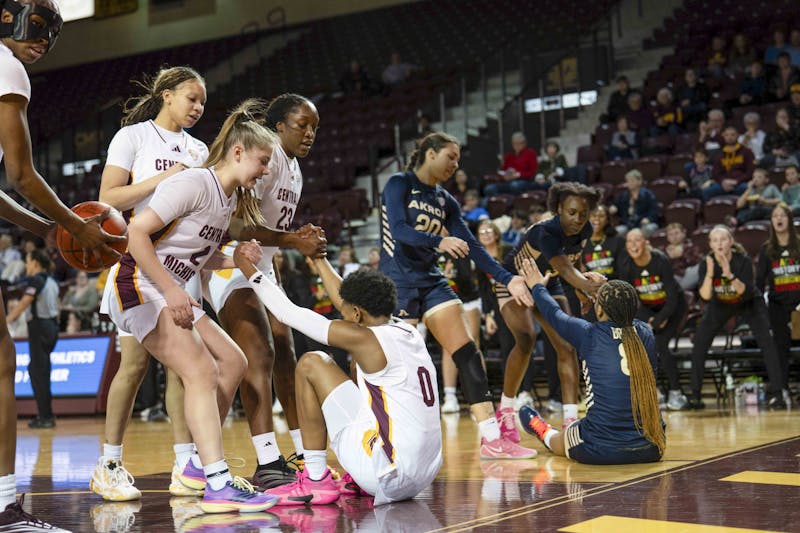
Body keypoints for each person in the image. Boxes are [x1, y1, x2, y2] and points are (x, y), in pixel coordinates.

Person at [108, 103, 281, 513]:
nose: (265, 171)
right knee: (201, 370)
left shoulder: (226, 198)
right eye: (262, 161)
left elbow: (197, 256)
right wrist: (171, 290)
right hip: (138, 282)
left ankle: (199, 469)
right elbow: (136, 233)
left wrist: (234, 257)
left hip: (166, 286)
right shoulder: (195, 182)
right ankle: (218, 482)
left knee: (234, 362)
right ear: (237, 152)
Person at [1, 1, 122, 529]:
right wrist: (76, 225)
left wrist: (47, 229)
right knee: (0, 364)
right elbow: (21, 174)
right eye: (39, 28)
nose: (44, 42)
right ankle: (4, 508)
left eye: (52, 35)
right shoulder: (7, 67)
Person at [233, 248, 442, 506]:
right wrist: (318, 258)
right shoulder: (406, 331)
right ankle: (356, 476)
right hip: (425, 472)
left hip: (391, 477)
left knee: (311, 363)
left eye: (345, 312)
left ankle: (316, 479)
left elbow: (286, 313)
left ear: (357, 313)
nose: (341, 313)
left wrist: (247, 268)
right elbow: (346, 299)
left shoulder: (365, 338)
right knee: (362, 377)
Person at [92, 66, 211, 501]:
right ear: (167, 95)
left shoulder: (200, 149)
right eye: (191, 98)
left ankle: (184, 465)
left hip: (181, 269)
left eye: (203, 102)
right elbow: (108, 198)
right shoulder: (134, 136)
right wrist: (167, 177)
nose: (197, 108)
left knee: (184, 367)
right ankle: (109, 464)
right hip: (138, 265)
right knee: (135, 366)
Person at [379, 131, 536, 459]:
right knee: (398, 367)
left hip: (431, 281)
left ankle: (491, 439)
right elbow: (400, 230)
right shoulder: (399, 184)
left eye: (458, 160)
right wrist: (440, 241)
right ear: (430, 153)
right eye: (450, 157)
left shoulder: (445, 201)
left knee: (468, 352)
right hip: (397, 284)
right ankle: (391, 439)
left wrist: (508, 279)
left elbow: (473, 246)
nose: (455, 164)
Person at [204, 94, 327, 490]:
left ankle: (303, 454)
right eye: (302, 125)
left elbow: (270, 232)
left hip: (262, 265)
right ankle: (268, 460)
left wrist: (287, 246)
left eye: (314, 128)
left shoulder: (295, 169)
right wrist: (292, 240)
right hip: (228, 261)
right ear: (278, 127)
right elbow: (238, 226)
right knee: (259, 353)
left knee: (285, 355)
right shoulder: (267, 156)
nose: (309, 134)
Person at [517, 260, 665, 465]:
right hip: (651, 448)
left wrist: (537, 286)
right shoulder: (646, 333)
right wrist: (604, 289)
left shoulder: (589, 334)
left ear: (600, 310)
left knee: (560, 439)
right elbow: (620, 313)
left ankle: (542, 430)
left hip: (600, 449)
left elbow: (554, 314)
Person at [496, 183, 605, 434]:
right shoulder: (544, 232)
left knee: (567, 345)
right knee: (526, 338)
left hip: (550, 281)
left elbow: (574, 262)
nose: (578, 219)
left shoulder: (585, 229)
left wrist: (582, 290)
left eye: (583, 213)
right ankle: (506, 410)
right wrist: (592, 287)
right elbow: (565, 268)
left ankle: (571, 420)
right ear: (558, 209)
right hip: (515, 281)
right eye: (572, 212)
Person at [688, 226, 786, 409]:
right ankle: (695, 396)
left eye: (723, 239)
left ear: (731, 242)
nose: (719, 244)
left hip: (748, 302)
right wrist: (710, 274)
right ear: (710, 244)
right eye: (715, 240)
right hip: (721, 303)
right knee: (700, 342)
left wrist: (729, 275)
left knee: (768, 343)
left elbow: (745, 292)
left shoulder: (743, 260)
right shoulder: (706, 263)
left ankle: (778, 394)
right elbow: (705, 296)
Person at [618, 229, 688, 410]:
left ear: (646, 243)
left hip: (673, 308)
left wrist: (660, 319)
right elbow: (631, 299)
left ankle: (676, 393)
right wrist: (648, 319)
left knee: (661, 345)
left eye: (637, 240)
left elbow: (673, 298)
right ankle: (654, 392)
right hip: (647, 310)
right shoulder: (626, 265)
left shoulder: (660, 260)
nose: (633, 245)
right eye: (629, 241)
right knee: (643, 346)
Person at [5, 248, 59, 427]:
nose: (26, 266)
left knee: (38, 372)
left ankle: (46, 417)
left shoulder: (37, 280)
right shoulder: (52, 281)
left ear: (35, 263)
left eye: (27, 261)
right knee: (39, 371)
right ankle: (46, 414)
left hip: (39, 327)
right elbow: (57, 306)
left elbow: (24, 303)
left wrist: (5, 323)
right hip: (51, 326)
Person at [756, 203, 798, 407]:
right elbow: (759, 281)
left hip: (799, 305)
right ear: (772, 222)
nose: (779, 219)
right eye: (775, 216)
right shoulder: (766, 249)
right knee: (780, 348)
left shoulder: (799, 244)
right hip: (777, 306)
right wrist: (760, 310)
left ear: (789, 219)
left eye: (783, 215)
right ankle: (781, 391)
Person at [484, 132, 539, 197]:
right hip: (508, 182)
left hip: (524, 181)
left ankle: (512, 200)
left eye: (519, 143)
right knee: (489, 188)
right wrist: (504, 176)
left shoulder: (530, 153)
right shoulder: (509, 155)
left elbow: (532, 173)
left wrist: (518, 175)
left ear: (524, 143)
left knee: (514, 185)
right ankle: (500, 200)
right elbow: (502, 170)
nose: (517, 146)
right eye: (514, 143)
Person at [609, 169, 659, 236]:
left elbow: (654, 210)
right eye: (628, 181)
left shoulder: (648, 194)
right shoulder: (624, 195)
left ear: (639, 181)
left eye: (632, 180)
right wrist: (614, 207)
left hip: (644, 223)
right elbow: (616, 204)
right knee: (617, 231)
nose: (629, 183)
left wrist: (649, 219)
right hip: (628, 224)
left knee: (648, 229)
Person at [581, 205, 623, 279]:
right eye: (594, 215)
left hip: (613, 283)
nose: (597, 219)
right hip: (590, 284)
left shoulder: (618, 241)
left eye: (601, 216)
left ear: (607, 220)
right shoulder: (581, 243)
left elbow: (621, 270)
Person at [663, 222, 702, 290]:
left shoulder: (692, 246)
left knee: (699, 267)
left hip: (689, 275)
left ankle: (679, 290)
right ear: (667, 238)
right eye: (671, 234)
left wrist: (682, 254)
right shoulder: (663, 250)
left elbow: (697, 262)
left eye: (676, 233)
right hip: (674, 277)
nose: (674, 237)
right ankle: (679, 290)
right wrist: (671, 258)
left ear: (683, 233)